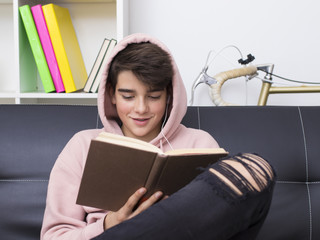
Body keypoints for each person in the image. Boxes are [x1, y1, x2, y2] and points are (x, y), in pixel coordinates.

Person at [40, 33, 276, 240]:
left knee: (255, 166)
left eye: (153, 96)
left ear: (169, 97)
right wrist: (108, 224)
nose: (141, 108)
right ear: (111, 95)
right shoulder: (82, 145)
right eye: (128, 96)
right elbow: (54, 236)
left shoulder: (200, 143)